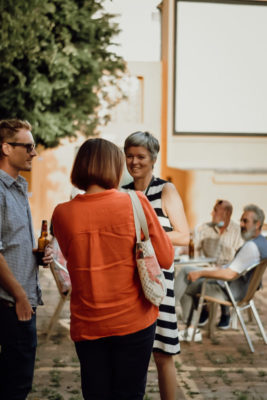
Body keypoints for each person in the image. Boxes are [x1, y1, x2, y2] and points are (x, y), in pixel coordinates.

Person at [52, 138, 174, 400]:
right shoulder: (136, 202)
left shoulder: (61, 213)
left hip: (87, 323)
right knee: (129, 393)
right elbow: (165, 258)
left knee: (96, 394)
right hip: (135, 320)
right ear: (114, 167)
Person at [122, 131, 189, 400]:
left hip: (160, 283)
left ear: (153, 159)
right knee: (131, 354)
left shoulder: (166, 190)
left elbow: (184, 235)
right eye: (129, 156)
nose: (134, 161)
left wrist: (143, 240)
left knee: (163, 352)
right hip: (129, 284)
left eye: (141, 156)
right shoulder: (121, 194)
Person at [0, 119, 53, 400]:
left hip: (21, 299)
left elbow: (11, 243)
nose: (34, 153)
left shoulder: (18, 187)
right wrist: (20, 296)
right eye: (28, 146)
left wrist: (39, 254)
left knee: (17, 382)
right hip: (10, 303)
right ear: (6, 148)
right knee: (15, 386)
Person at [175, 204, 267, 342]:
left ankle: (182, 323)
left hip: (229, 290)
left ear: (257, 223)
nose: (242, 224)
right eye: (242, 220)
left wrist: (201, 274)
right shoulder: (262, 242)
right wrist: (212, 269)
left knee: (186, 282)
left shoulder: (251, 247)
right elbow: (233, 268)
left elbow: (230, 274)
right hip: (241, 288)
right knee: (187, 271)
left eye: (245, 221)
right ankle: (184, 323)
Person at [189, 199, 243, 329]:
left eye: (215, 211)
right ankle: (204, 310)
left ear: (226, 213)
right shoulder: (205, 228)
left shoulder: (238, 231)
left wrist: (224, 268)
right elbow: (194, 248)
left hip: (227, 271)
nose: (211, 213)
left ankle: (225, 313)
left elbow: (240, 258)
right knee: (191, 275)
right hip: (207, 268)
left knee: (220, 276)